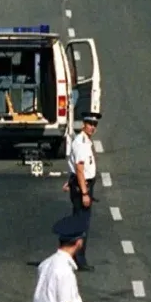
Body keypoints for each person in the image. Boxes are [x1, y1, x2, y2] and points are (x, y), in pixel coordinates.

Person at [62, 112, 99, 272]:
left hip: (79, 183)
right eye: (90, 124)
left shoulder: (85, 141)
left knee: (80, 222)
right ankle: (78, 259)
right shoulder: (81, 143)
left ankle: (74, 257)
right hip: (82, 186)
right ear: (84, 124)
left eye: (94, 125)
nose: (92, 127)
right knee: (81, 224)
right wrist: (84, 193)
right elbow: (80, 168)